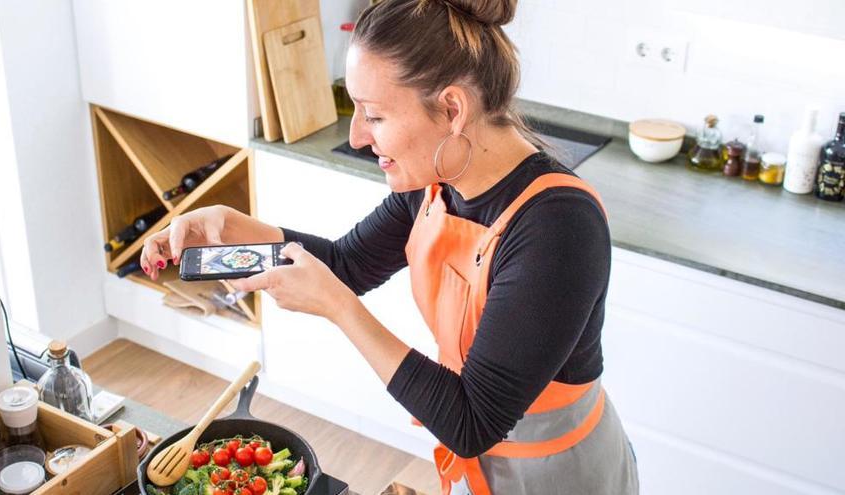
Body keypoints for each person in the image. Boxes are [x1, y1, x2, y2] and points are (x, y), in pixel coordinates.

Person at [140, 0, 638, 493]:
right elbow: (344, 264)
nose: (357, 136)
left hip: (560, 474)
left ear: (451, 109)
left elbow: (471, 422)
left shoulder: (557, 227)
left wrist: (341, 309)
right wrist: (231, 226)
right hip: (482, 469)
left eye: (373, 116)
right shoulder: (437, 181)